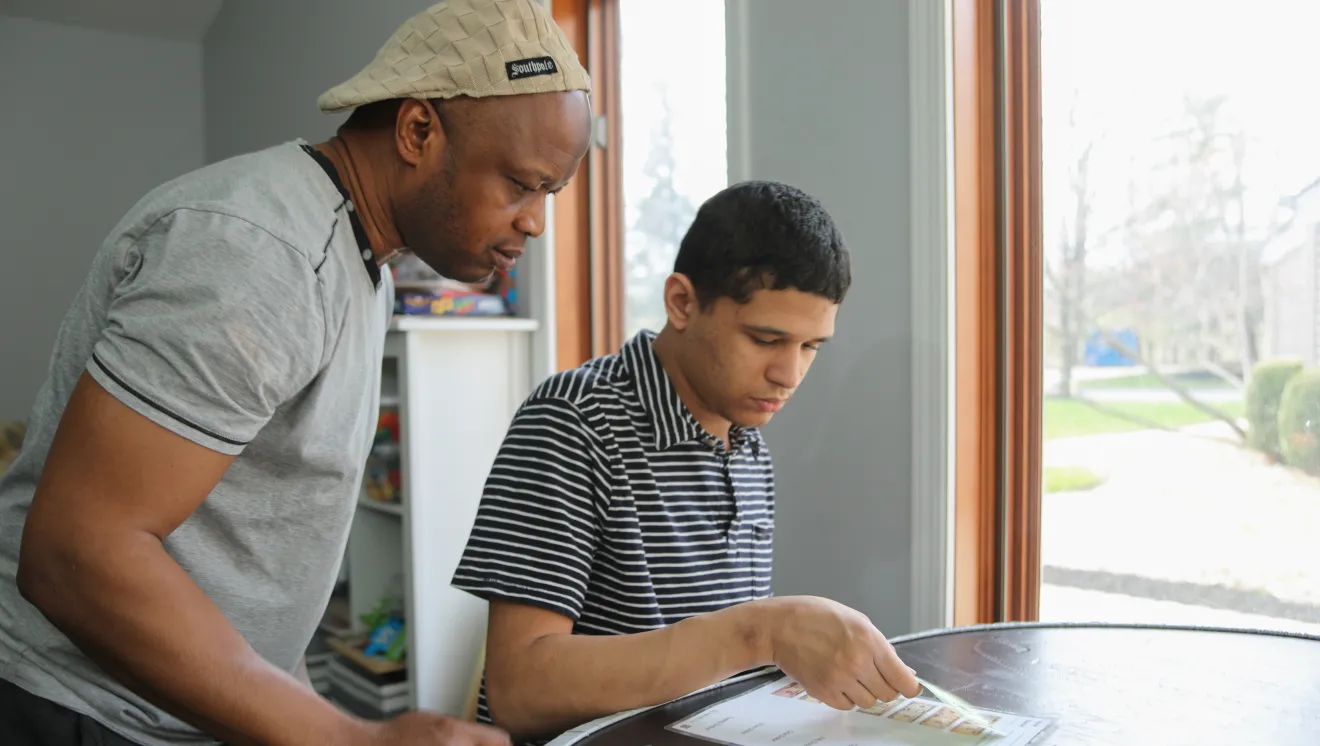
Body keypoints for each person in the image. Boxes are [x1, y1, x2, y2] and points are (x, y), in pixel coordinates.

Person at [0, 1, 592, 744]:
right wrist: (354, 738)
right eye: (520, 183)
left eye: (551, 195)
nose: (537, 221)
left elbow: (255, 556)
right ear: (417, 131)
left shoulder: (358, 258)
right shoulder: (262, 254)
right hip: (79, 711)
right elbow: (75, 554)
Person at [450, 181, 922, 744]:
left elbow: (711, 677)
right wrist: (760, 632)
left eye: (810, 346)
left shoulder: (748, 442)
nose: (789, 375)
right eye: (766, 338)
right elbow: (519, 692)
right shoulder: (572, 422)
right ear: (682, 302)